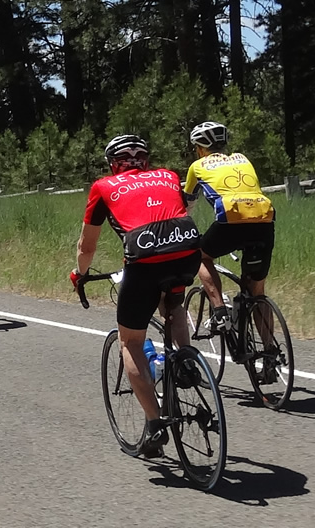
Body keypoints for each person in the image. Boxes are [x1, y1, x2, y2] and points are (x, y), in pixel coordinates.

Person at [71, 134, 201, 461]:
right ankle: (185, 360)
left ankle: (155, 424)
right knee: (172, 302)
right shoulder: (168, 175)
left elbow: (87, 246)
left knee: (130, 342)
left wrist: (80, 274)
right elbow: (177, 210)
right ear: (145, 159)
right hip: (187, 251)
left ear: (112, 163)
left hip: (144, 260)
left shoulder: (103, 187)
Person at [182, 120, 278, 376]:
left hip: (231, 222)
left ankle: (219, 311)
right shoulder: (242, 159)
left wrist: (182, 227)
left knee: (200, 256)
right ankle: (270, 355)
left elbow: (187, 205)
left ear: (200, 147)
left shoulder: (197, 166)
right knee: (256, 291)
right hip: (264, 221)